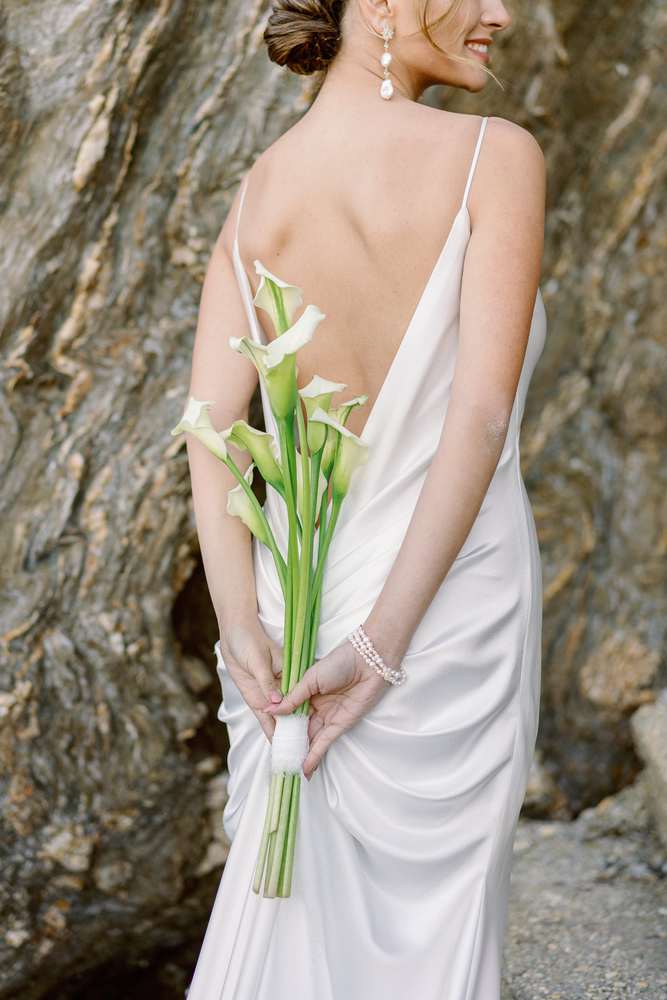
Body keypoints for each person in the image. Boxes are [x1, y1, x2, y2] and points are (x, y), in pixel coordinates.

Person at [182, 0, 547, 997]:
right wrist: (383, 648)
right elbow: (476, 419)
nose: (499, 14)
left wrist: (245, 634)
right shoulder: (493, 157)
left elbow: (209, 436)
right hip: (439, 615)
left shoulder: (259, 195)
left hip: (300, 627)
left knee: (297, 926)